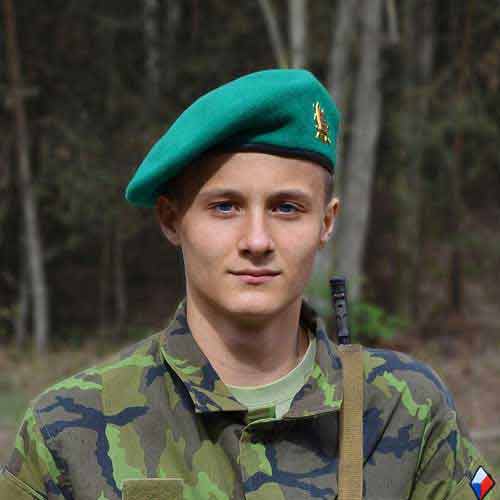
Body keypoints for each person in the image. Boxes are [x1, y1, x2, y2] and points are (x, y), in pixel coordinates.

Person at [0, 69, 497, 500]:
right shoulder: (72, 427)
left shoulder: (404, 411)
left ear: (326, 222)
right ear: (172, 220)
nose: (257, 240)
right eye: (225, 207)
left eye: (287, 208)